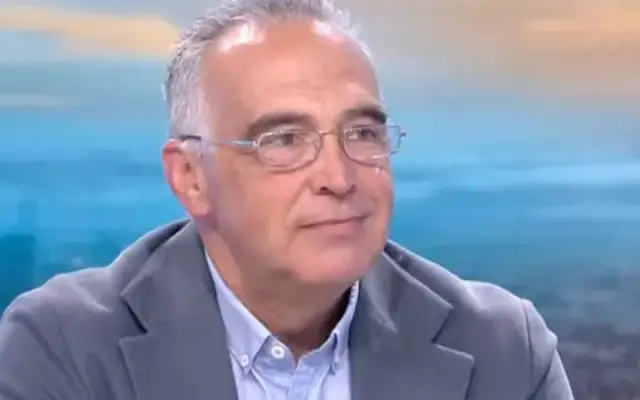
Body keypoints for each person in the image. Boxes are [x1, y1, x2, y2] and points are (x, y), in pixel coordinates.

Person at [0, 0, 575, 399]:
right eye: (283, 140)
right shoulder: (63, 349)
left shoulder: (503, 350)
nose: (339, 176)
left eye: (362, 133)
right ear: (191, 177)